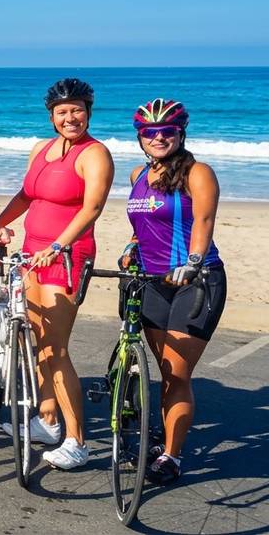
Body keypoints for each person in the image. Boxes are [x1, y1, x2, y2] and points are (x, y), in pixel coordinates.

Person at [0, 78, 113, 470]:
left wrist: (57, 246)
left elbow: (91, 208)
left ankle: (77, 440)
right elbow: (27, 194)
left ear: (88, 112)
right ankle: (47, 420)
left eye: (77, 110)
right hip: (31, 254)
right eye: (62, 111)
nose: (70, 117)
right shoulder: (41, 148)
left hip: (67, 256)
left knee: (56, 348)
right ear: (52, 116)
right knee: (39, 341)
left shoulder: (95, 154)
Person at [124, 98, 225, 485]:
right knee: (163, 370)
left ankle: (171, 455)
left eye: (167, 131)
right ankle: (163, 433)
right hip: (152, 282)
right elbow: (144, 224)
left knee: (177, 373)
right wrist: (131, 247)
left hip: (196, 282)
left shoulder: (197, 173)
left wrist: (194, 261)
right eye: (151, 133)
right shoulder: (137, 174)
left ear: (181, 133)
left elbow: (204, 220)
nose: (159, 138)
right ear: (141, 137)